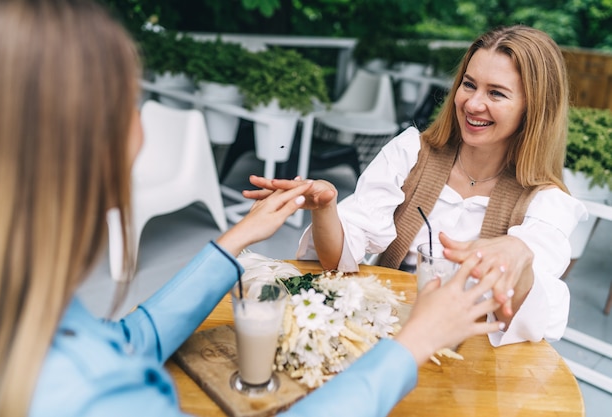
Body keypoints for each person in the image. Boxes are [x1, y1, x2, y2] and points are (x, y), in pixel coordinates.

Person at [0, 1, 505, 417]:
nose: (143, 133)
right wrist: (410, 346)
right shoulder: (85, 393)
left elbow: (123, 342)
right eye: (131, 105)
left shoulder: (26, 315)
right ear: (67, 156)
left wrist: (234, 241)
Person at [248, 25, 588, 347]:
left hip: (469, 360)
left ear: (534, 109)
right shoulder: (411, 152)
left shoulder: (546, 203)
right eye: (468, 85)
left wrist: (521, 257)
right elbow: (338, 260)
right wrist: (327, 210)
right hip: (384, 335)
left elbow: (533, 316)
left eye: (496, 93)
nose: (471, 103)